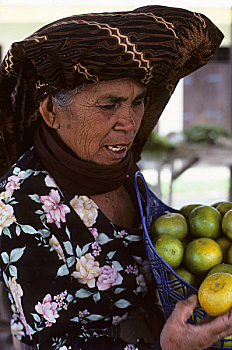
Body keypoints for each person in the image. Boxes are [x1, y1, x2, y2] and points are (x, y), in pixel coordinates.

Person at [0, 5, 232, 350]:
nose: (129, 122)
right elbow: (56, 343)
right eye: (108, 106)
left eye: (136, 102)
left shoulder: (118, 167)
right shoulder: (21, 203)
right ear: (51, 111)